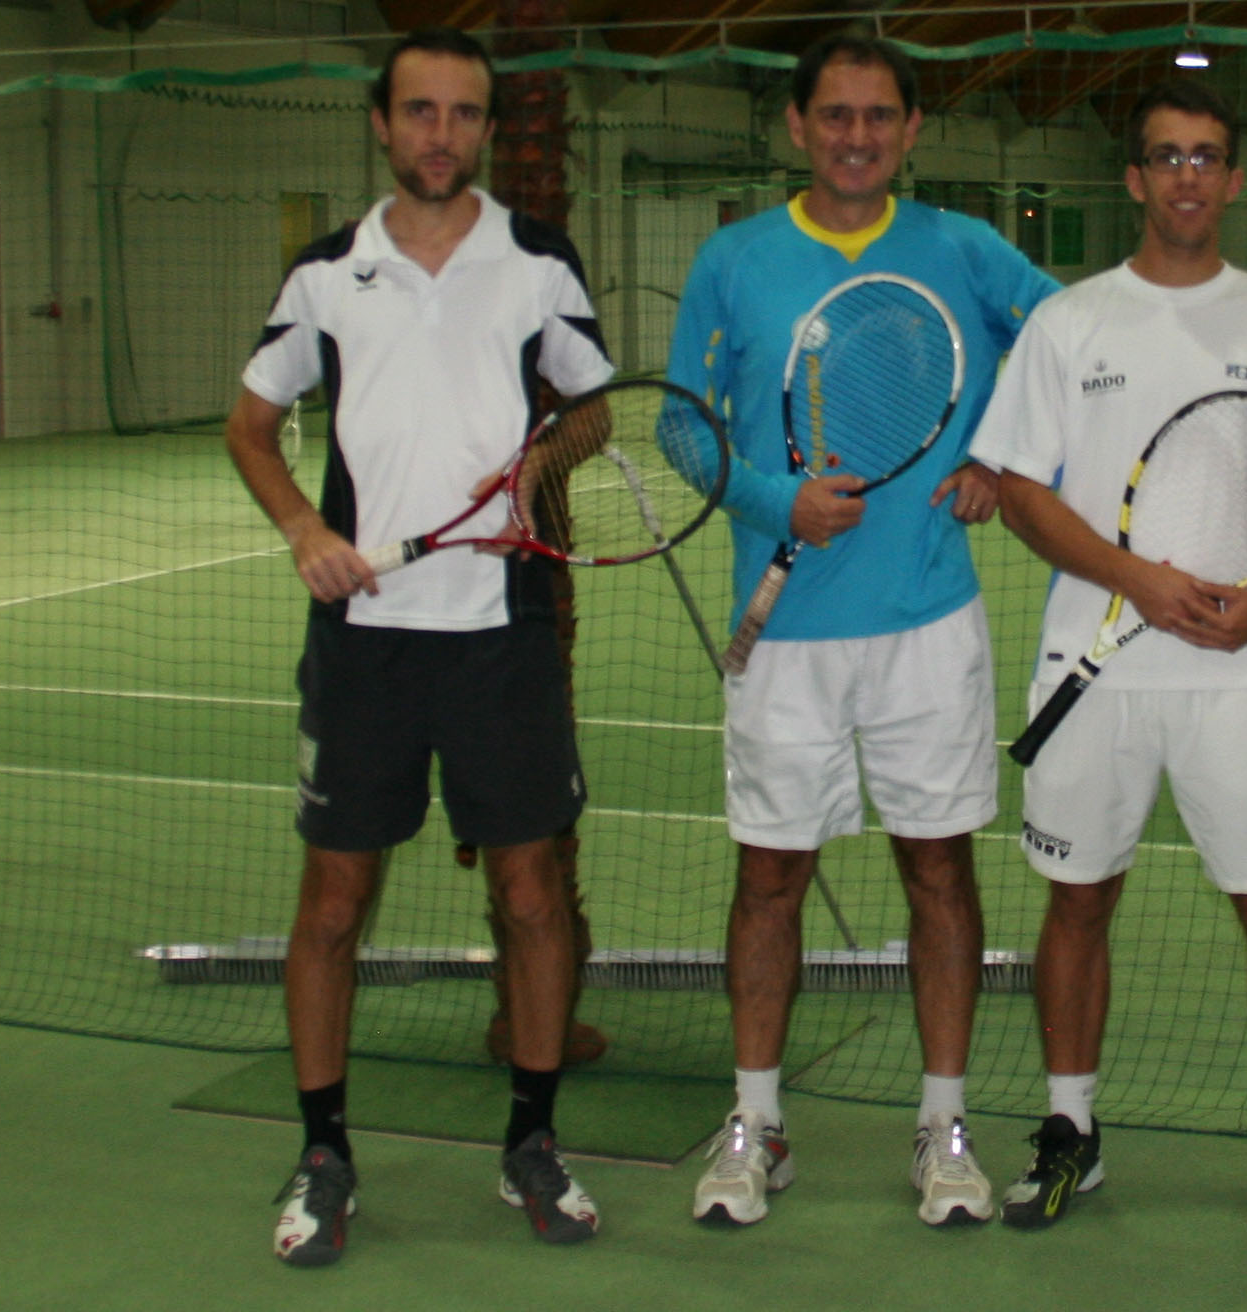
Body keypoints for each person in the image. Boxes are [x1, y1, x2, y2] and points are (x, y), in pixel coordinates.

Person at [224, 28, 612, 1266]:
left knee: (532, 890)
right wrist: (301, 529)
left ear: (486, 130)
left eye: (464, 113)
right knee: (334, 901)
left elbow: (593, 406)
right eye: (420, 111)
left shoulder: (537, 260)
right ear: (382, 126)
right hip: (363, 643)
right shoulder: (327, 273)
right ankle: (325, 1152)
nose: (442, 133)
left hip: (501, 634)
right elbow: (250, 424)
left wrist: (537, 470)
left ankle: (533, 1142)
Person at [664, 31, 1058, 1229]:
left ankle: (942, 1125)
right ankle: (756, 1122)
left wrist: (1001, 452)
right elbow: (686, 427)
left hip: (927, 625)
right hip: (782, 636)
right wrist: (777, 500)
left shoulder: (965, 248)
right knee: (769, 878)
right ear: (795, 126)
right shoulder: (733, 260)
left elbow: (1070, 345)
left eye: (879, 116)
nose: (855, 136)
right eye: (834, 115)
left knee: (939, 870)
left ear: (910, 129)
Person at [967, 79, 1247, 1237]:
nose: (1187, 175)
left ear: (1234, 181)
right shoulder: (1068, 323)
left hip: (1237, 672)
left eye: (1208, 157)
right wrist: (1137, 581)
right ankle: (1071, 1126)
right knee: (1078, 902)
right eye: (1167, 157)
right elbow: (1021, 489)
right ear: (1135, 179)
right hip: (1094, 670)